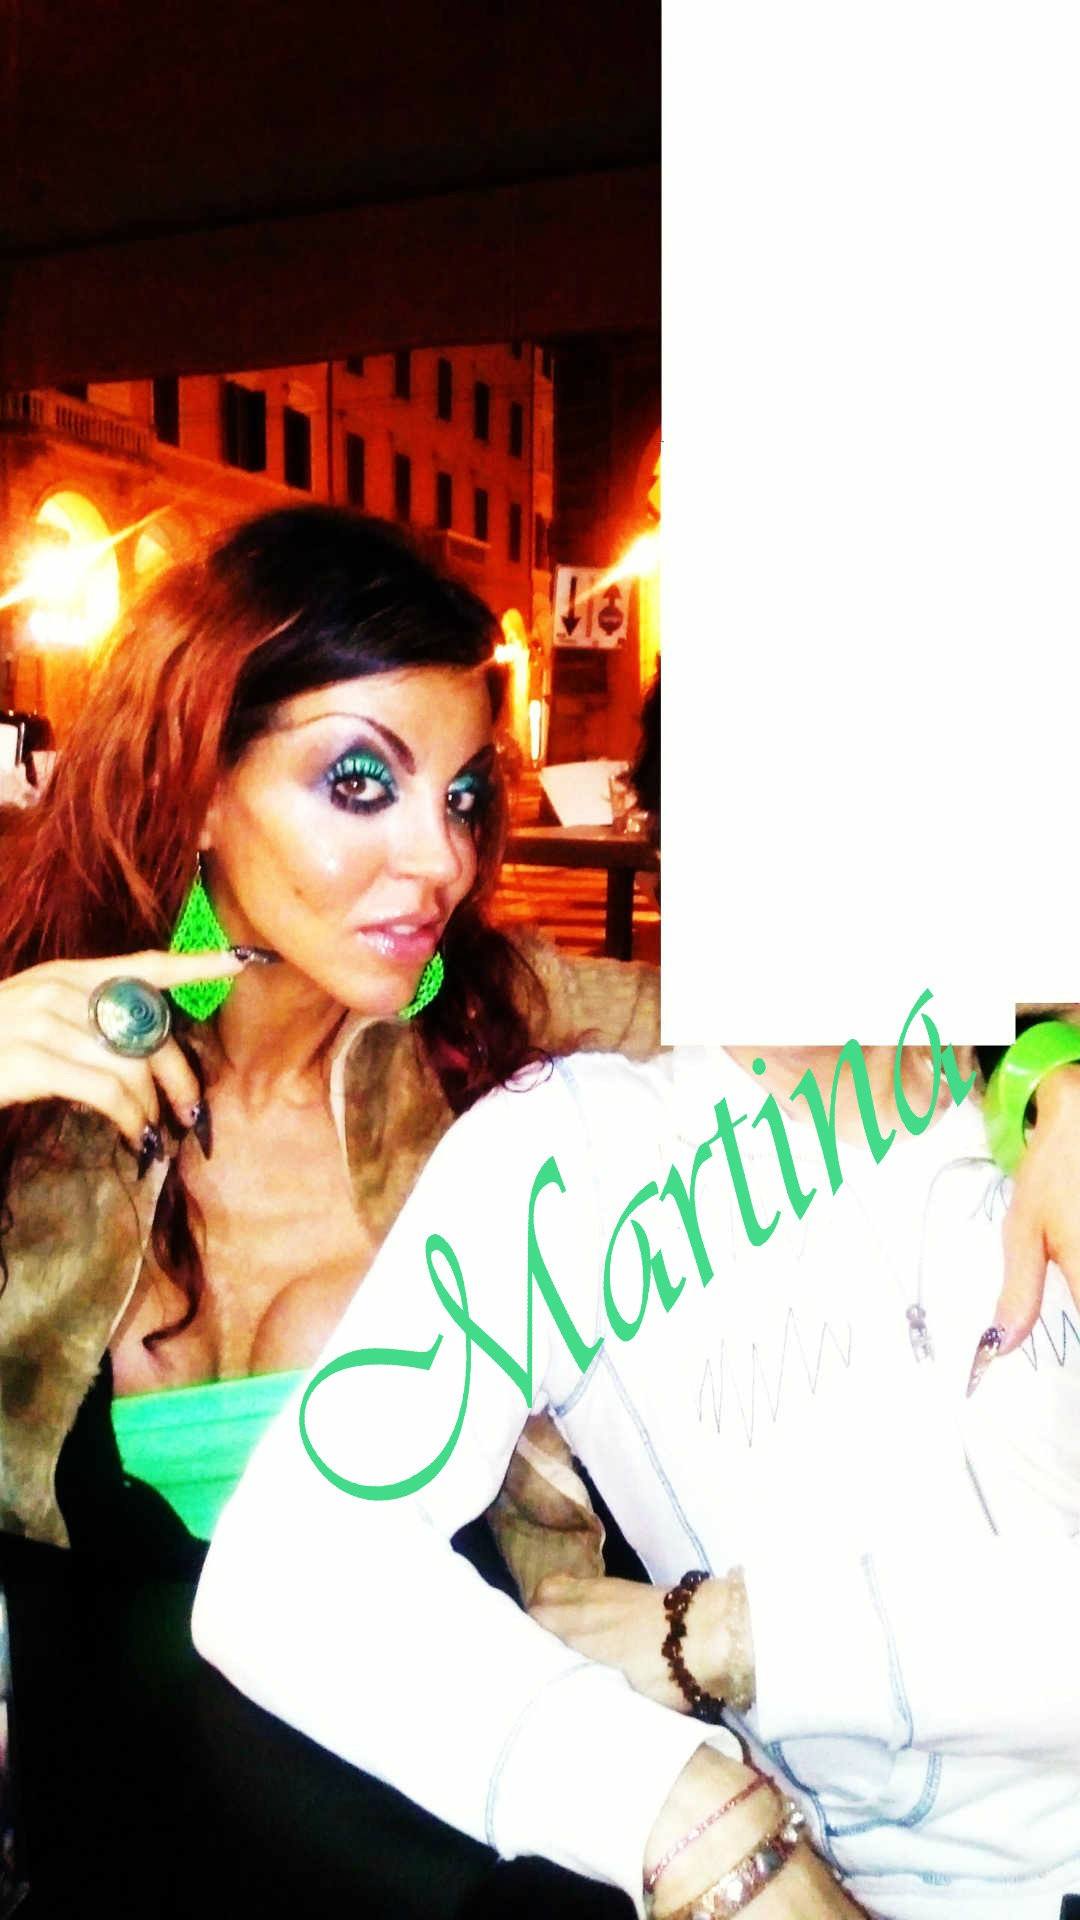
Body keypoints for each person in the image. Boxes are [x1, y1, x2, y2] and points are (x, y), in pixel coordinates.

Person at [193, 1028, 1080, 1920]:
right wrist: (685, 1817)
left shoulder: (1049, 1090)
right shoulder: (572, 1152)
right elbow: (285, 1569)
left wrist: (736, 1634)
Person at [0, 505, 660, 1560]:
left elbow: (868, 1032)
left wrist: (1030, 1089)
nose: (442, 859)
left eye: (461, 795)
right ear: (195, 785)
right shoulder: (36, 1051)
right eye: (361, 783)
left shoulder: (500, 1021)